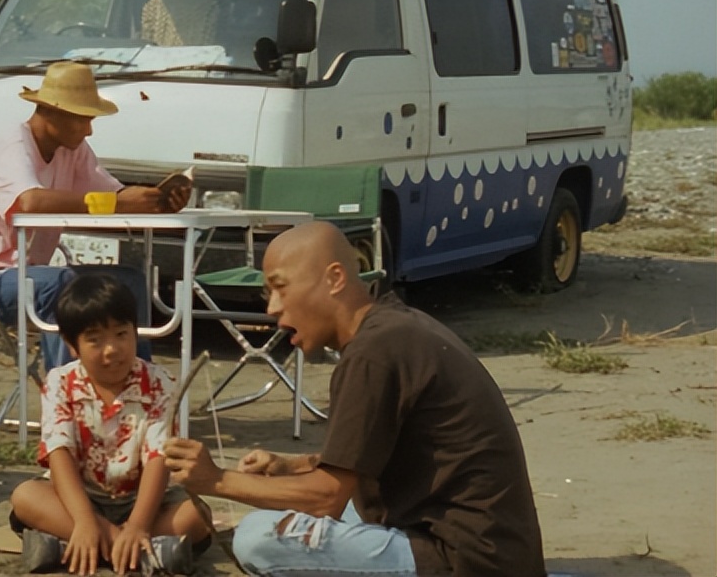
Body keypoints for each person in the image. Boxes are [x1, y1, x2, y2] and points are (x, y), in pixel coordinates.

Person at [163, 221, 546, 577]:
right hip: (493, 548)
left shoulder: (373, 352)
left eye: (281, 288)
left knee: (258, 537)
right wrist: (293, 466)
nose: (273, 309)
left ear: (334, 278)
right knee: (304, 510)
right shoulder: (392, 327)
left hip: (466, 559)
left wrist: (216, 480)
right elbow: (374, 456)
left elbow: (326, 498)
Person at [0, 60, 191, 371]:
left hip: (29, 274)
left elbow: (113, 197)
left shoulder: (73, 149)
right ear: (52, 112)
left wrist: (157, 199)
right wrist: (117, 203)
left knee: (130, 281)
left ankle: (138, 391)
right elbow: (31, 202)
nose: (89, 129)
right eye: (82, 119)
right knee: (67, 286)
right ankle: (67, 399)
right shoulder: (10, 147)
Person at [8, 272, 210, 575]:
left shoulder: (160, 383)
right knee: (24, 497)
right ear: (72, 344)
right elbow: (59, 454)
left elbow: (158, 459)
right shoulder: (60, 383)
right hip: (80, 499)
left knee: (197, 516)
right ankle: (128, 549)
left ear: (135, 332)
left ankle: (80, 548)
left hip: (144, 501)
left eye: (121, 334)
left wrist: (139, 525)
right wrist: (87, 521)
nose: (112, 349)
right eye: (95, 339)